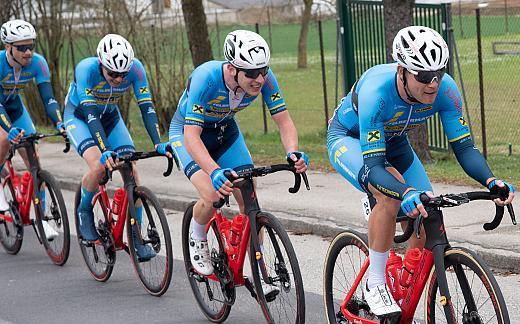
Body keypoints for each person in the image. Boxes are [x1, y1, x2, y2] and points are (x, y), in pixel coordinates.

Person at [327, 26, 516, 324]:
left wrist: (491, 181)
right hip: (351, 140)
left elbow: (465, 148)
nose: (433, 83)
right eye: (424, 75)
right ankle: (375, 281)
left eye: (439, 74)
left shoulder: (446, 91)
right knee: (389, 196)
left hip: (396, 141)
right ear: (402, 71)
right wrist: (403, 191)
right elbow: (373, 166)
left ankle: (403, 320)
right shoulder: (377, 91)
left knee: (426, 214)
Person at [169, 29, 307, 295]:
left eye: (263, 71)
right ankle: (197, 237)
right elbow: (191, 135)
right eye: (251, 74)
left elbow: (284, 121)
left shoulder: (265, 79)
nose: (259, 79)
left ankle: (260, 269)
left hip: (225, 132)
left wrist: (293, 152)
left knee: (249, 195)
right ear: (232, 69)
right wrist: (214, 171)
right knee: (212, 193)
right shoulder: (205, 78)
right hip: (188, 134)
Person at [64, 33, 164, 261]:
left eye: (123, 74)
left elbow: (147, 107)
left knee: (132, 169)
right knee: (100, 165)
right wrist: (105, 148)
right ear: (101, 65)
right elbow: (90, 115)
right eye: (113, 74)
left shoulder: (137, 69)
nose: (119, 79)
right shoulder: (85, 70)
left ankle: (136, 236)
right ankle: (84, 210)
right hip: (80, 118)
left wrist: (158, 142)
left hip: (110, 118)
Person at [0, 19, 65, 240]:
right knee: (3, 140)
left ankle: (41, 217)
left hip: (15, 109)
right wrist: (8, 130)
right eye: (21, 47)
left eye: (31, 46)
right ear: (8, 47)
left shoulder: (38, 63)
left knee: (34, 160)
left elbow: (48, 98)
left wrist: (59, 122)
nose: (28, 52)